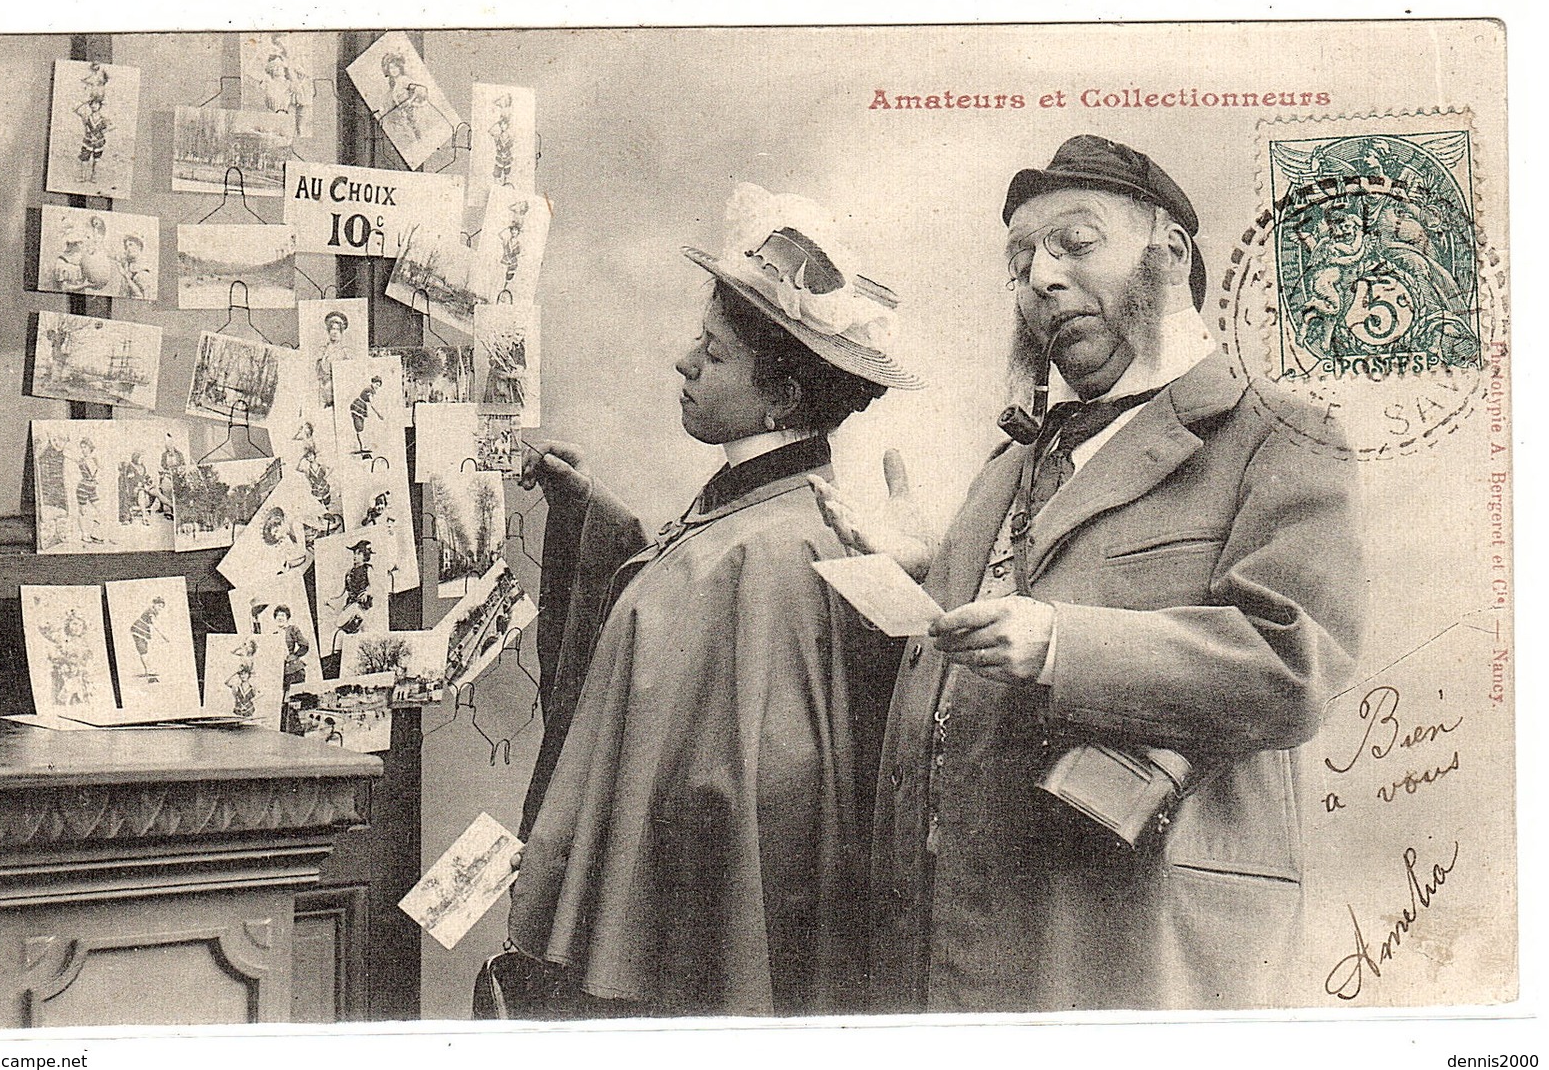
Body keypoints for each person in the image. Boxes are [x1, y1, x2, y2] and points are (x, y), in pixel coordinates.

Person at [813, 136, 1364, 1013]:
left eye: (1075, 243)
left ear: (1170, 254)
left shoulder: (1276, 436)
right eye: (1022, 259)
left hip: (1133, 943)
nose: (1039, 277)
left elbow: (1291, 666)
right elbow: (972, 664)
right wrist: (921, 576)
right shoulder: (1010, 465)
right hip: (961, 939)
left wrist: (1062, 641)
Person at [509, 183, 922, 1018]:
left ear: (784, 397)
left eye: (715, 351)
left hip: (701, 924)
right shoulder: (746, 509)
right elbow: (673, 600)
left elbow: (759, 788)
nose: (684, 360)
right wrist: (588, 511)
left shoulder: (779, 549)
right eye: (699, 339)